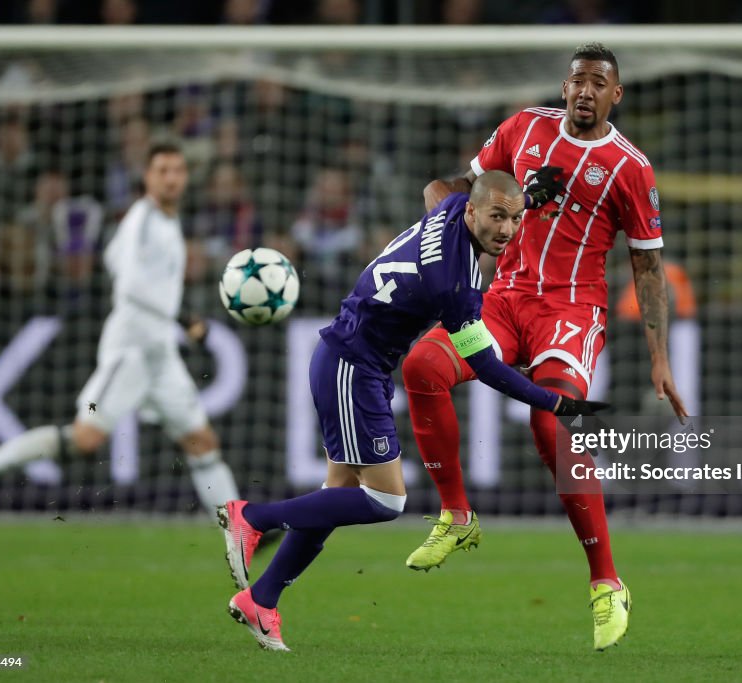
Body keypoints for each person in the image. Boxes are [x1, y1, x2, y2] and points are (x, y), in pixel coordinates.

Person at [216, 170, 607, 652]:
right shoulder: (455, 287)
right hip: (352, 366)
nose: (506, 230)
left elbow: (437, 189)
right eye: (496, 217)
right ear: (472, 211)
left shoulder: (447, 210)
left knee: (336, 493)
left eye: (514, 218)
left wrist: (526, 196)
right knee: (385, 501)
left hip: (358, 363)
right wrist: (556, 401)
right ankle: (253, 516)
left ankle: (262, 598)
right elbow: (485, 366)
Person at [401, 42, 689, 651]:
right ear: (565, 88)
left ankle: (606, 582)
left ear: (617, 95)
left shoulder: (629, 167)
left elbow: (648, 268)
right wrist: (443, 207)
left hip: (570, 310)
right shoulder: (521, 129)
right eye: (578, 80)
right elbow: (461, 193)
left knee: (549, 422)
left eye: (599, 83)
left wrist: (659, 358)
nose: (586, 90)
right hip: (502, 301)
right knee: (423, 364)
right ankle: (457, 514)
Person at [0, 142, 241, 521]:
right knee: (86, 435)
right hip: (131, 352)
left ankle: (242, 527)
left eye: (177, 170)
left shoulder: (162, 221)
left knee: (202, 441)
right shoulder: (144, 220)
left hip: (161, 358)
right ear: (148, 177)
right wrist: (185, 317)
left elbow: (110, 257)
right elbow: (128, 286)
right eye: (162, 171)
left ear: (186, 177)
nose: (171, 178)